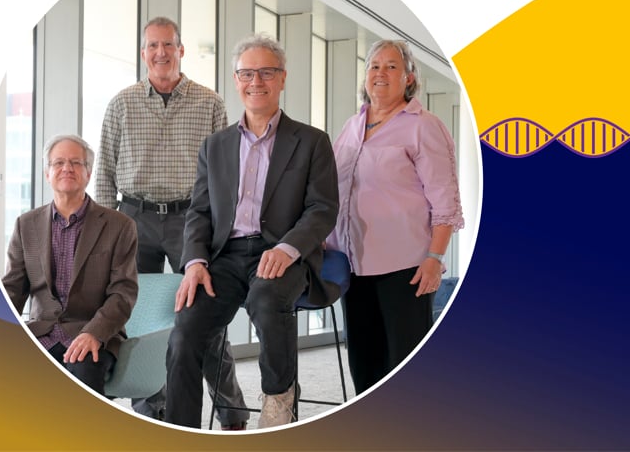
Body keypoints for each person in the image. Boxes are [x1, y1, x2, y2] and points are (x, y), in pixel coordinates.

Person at [164, 34, 340, 429]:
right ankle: (180, 428)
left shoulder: (312, 141)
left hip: (282, 253)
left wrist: (288, 248)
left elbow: (323, 208)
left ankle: (278, 400)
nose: (255, 81)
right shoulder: (215, 146)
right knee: (185, 330)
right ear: (235, 79)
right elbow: (199, 212)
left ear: (282, 78)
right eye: (247, 73)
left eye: (266, 72)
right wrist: (194, 263)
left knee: (266, 298)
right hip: (223, 257)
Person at [94, 16, 248, 429]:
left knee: (204, 315)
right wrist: (106, 231)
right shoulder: (121, 103)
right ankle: (152, 410)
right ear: (143, 53)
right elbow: (104, 170)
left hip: (190, 220)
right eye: (152, 45)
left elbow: (226, 174)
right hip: (132, 219)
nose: (160, 52)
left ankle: (231, 411)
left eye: (168, 45)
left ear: (181, 50)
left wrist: (220, 229)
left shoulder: (209, 103)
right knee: (134, 317)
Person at [326, 39, 465, 395]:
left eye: (391, 66)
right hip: (352, 263)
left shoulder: (423, 126)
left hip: (405, 266)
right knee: (363, 362)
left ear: (409, 78)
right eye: (374, 66)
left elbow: (445, 199)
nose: (381, 73)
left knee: (404, 362)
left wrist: (434, 257)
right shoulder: (352, 125)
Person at [2, 133, 139, 396]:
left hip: (91, 334)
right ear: (47, 173)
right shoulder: (25, 225)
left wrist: (94, 333)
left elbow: (123, 293)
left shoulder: (119, 226)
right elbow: (12, 289)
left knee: (84, 375)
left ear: (88, 173)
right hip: (40, 333)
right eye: (59, 163)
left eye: (76, 163)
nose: (67, 168)